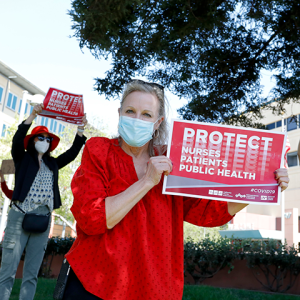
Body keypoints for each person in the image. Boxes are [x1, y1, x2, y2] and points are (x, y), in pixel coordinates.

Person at [64, 80, 289, 300]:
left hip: (152, 287)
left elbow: (208, 212)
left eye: (146, 115)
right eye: (130, 111)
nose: (136, 119)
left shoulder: (174, 159)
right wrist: (147, 182)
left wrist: (261, 185)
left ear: (158, 122)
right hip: (95, 284)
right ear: (119, 113)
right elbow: (93, 219)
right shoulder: (99, 150)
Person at [0, 104, 87, 300]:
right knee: (8, 271)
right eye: (41, 137)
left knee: (31, 274)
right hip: (19, 217)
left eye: (48, 139)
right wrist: (32, 115)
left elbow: (72, 152)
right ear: (32, 141)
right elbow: (16, 140)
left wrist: (80, 130)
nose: (45, 141)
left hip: (43, 220)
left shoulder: (52, 163)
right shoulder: (22, 159)